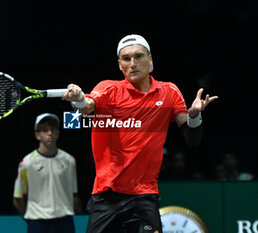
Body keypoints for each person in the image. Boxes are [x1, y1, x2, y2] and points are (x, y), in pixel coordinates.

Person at [62, 34, 218, 233]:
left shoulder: (169, 92)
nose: (133, 63)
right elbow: (87, 106)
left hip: (144, 197)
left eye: (138, 56)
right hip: (107, 196)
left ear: (150, 59)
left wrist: (194, 115)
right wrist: (78, 99)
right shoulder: (109, 89)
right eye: (126, 59)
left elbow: (192, 138)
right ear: (119, 64)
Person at [13, 113, 79, 233]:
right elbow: (18, 198)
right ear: (37, 135)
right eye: (44, 130)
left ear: (58, 133)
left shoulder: (69, 160)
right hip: (38, 224)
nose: (49, 133)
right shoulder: (27, 163)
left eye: (53, 129)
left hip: (65, 223)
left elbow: (73, 193)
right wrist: (32, 220)